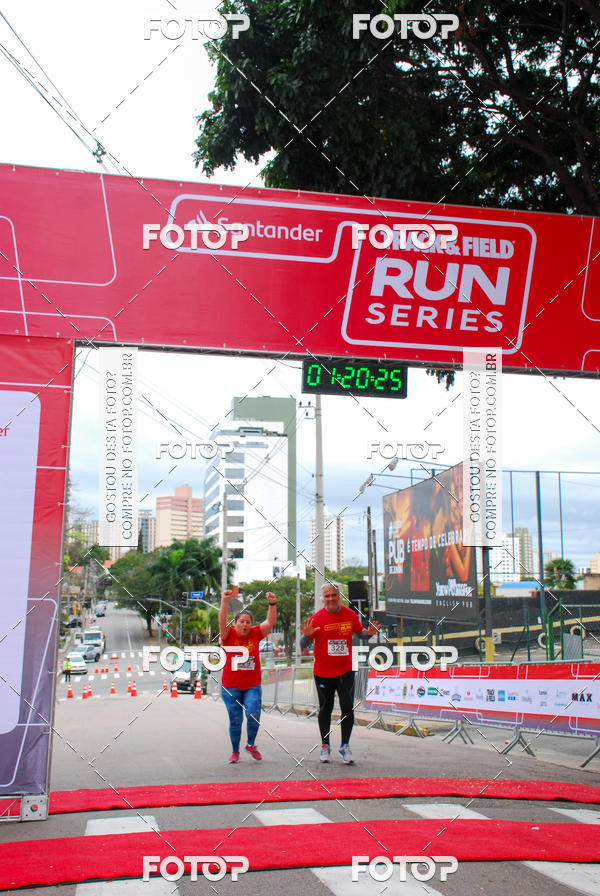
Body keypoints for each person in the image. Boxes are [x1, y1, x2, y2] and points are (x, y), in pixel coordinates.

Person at [301, 582, 380, 764]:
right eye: (327, 596)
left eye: (333, 595)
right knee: (325, 709)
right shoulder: (317, 618)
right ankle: (325, 746)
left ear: (339, 596)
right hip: (323, 672)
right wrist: (306, 636)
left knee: (347, 707)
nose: (330, 599)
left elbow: (361, 635)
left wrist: (370, 633)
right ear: (323, 599)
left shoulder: (350, 614)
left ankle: (345, 746)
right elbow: (302, 645)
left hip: (345, 670)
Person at [219, 588, 277, 763]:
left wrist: (272, 604)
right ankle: (235, 750)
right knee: (235, 720)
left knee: (253, 714)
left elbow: (270, 622)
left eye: (247, 622)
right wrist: (224, 601)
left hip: (252, 685)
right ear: (235, 623)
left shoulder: (255, 634)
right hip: (231, 686)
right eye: (241, 621)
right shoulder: (228, 635)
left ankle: (250, 744)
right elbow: (222, 623)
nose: (244, 625)